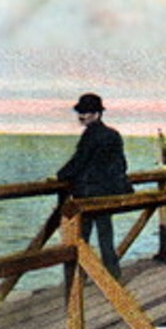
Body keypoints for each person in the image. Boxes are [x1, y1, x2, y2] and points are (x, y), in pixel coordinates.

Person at [56, 93, 133, 280]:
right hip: (106, 194)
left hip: (87, 194)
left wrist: (60, 176)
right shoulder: (113, 135)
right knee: (106, 236)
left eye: (86, 112)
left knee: (82, 237)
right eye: (80, 112)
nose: (81, 116)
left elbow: (78, 162)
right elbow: (121, 165)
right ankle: (113, 276)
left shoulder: (90, 135)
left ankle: (79, 278)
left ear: (97, 114)